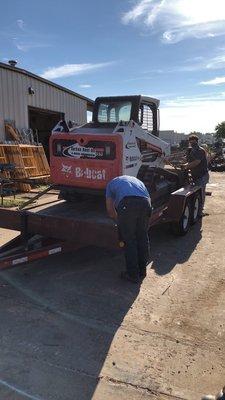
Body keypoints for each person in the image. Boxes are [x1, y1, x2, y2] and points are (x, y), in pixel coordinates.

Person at [106, 175, 152, 283]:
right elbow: (149, 201)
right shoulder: (138, 181)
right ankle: (142, 271)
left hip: (128, 204)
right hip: (145, 204)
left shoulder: (110, 184)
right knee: (142, 237)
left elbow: (110, 211)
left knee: (129, 241)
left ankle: (132, 275)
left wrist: (120, 222)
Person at [182, 134, 209, 216]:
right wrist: (184, 163)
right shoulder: (192, 151)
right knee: (197, 194)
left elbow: (197, 162)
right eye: (190, 142)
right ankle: (198, 210)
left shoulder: (200, 151)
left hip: (202, 176)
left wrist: (186, 166)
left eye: (193, 142)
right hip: (195, 176)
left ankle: (200, 212)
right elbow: (189, 161)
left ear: (197, 142)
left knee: (200, 194)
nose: (192, 143)